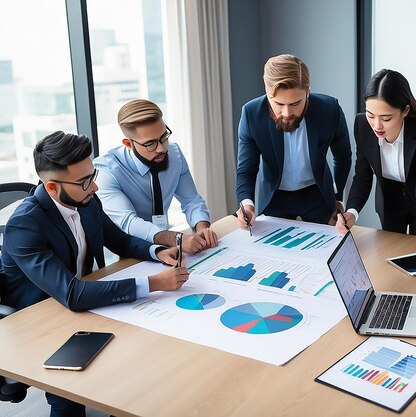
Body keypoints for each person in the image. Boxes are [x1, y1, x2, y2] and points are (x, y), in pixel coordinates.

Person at [1, 131, 190, 417]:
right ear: (52, 187)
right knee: (71, 397)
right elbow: (73, 294)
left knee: (142, 361)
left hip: (78, 306)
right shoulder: (24, 226)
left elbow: (121, 241)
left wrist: (156, 252)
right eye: (86, 181)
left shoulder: (86, 201)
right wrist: (153, 283)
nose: (96, 186)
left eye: (93, 175)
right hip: (37, 318)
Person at [336, 69, 416, 253]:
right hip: (392, 197)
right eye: (371, 115)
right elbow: (362, 175)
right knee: (391, 255)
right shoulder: (362, 125)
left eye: (386, 118)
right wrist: (351, 212)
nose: (377, 125)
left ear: (405, 111)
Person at [235, 54, 352, 228]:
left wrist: (337, 197)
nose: (287, 113)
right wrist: (247, 205)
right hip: (275, 197)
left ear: (308, 92)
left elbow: (343, 156)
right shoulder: (251, 115)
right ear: (267, 94)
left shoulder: (330, 110)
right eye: (279, 104)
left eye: (296, 103)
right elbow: (246, 169)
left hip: (318, 195)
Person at [94, 99, 217, 254]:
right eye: (150, 143)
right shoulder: (106, 171)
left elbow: (191, 200)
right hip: (133, 252)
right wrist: (177, 240)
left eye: (164, 137)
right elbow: (128, 222)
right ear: (128, 144)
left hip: (169, 247)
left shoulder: (174, 153)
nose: (161, 148)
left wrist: (202, 227)